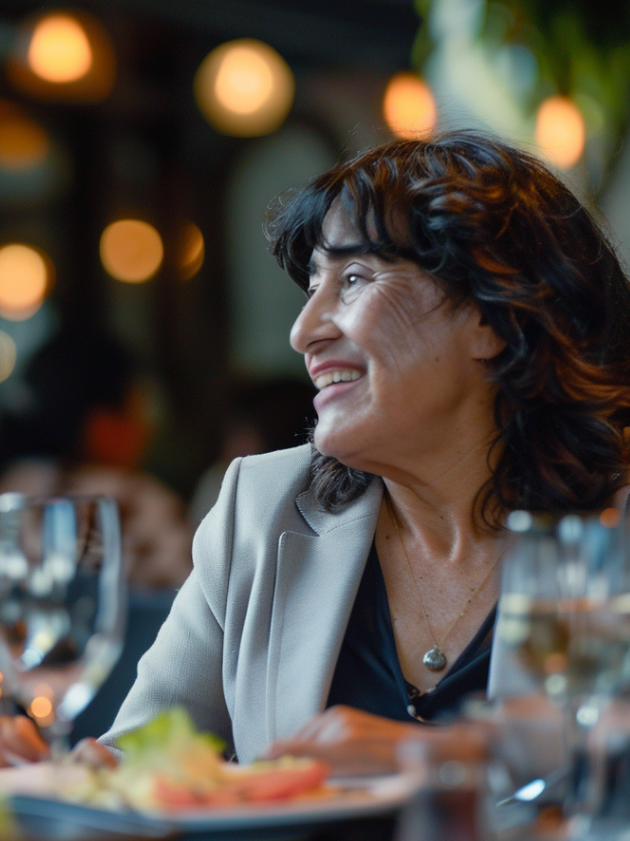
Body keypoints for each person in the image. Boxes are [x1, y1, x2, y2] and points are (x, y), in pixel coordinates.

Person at [91, 131, 630, 772]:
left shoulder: (615, 527)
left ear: (494, 316)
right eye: (311, 285)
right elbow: (139, 765)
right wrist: (25, 771)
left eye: (353, 278)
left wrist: (447, 757)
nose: (303, 332)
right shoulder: (261, 510)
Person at [0, 328, 192, 589]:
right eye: (141, 408)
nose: (147, 428)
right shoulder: (136, 504)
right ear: (101, 422)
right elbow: (204, 610)